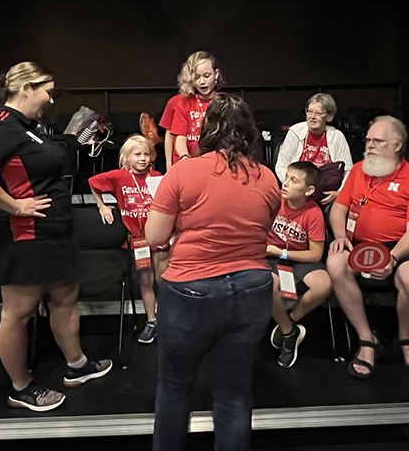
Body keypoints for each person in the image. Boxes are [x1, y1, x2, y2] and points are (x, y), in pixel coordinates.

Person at [145, 93, 281, 451]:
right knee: (234, 393)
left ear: (206, 130)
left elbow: (154, 237)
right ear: (250, 132)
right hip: (253, 287)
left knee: (174, 385)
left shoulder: (184, 170)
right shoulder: (268, 178)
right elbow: (261, 228)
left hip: (192, 289)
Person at [0, 61, 111, 412]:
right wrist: (14, 206)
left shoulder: (30, 127)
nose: (51, 98)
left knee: (65, 297)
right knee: (17, 313)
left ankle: (77, 366)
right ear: (26, 89)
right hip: (25, 237)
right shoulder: (1, 126)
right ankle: (21, 388)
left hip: (54, 233)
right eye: (46, 91)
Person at [325, 115, 409, 379]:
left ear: (397, 145)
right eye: (368, 139)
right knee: (335, 263)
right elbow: (339, 208)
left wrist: (393, 258)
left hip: (399, 250)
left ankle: (405, 339)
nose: (369, 145)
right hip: (358, 246)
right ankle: (366, 340)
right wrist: (340, 236)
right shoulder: (360, 169)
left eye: (377, 140)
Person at [89, 134, 168, 343]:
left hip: (159, 237)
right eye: (137, 154)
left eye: (146, 154)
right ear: (127, 157)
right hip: (138, 238)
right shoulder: (118, 176)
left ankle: (168, 318)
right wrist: (102, 205)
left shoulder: (157, 176)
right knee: (146, 281)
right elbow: (92, 182)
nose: (143, 158)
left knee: (164, 280)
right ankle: (151, 320)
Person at [265, 161, 331, 368]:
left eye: (293, 180)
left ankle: (290, 321)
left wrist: (283, 252)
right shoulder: (274, 199)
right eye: (286, 177)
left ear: (308, 190)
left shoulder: (313, 213)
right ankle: (288, 334)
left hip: (297, 257)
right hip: (270, 255)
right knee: (270, 283)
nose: (285, 183)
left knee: (324, 285)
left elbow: (316, 254)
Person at [274, 92, 353, 205]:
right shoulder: (295, 132)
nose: (312, 117)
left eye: (318, 113)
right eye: (309, 111)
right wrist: (292, 186)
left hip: (326, 195)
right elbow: (281, 165)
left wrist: (339, 193)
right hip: (298, 191)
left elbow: (347, 171)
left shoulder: (337, 136)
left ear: (329, 116)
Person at [169, 51, 223, 162]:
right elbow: (180, 138)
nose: (202, 82)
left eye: (207, 76)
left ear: (216, 74)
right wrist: (184, 157)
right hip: (189, 163)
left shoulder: (224, 103)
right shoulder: (184, 103)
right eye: (197, 77)